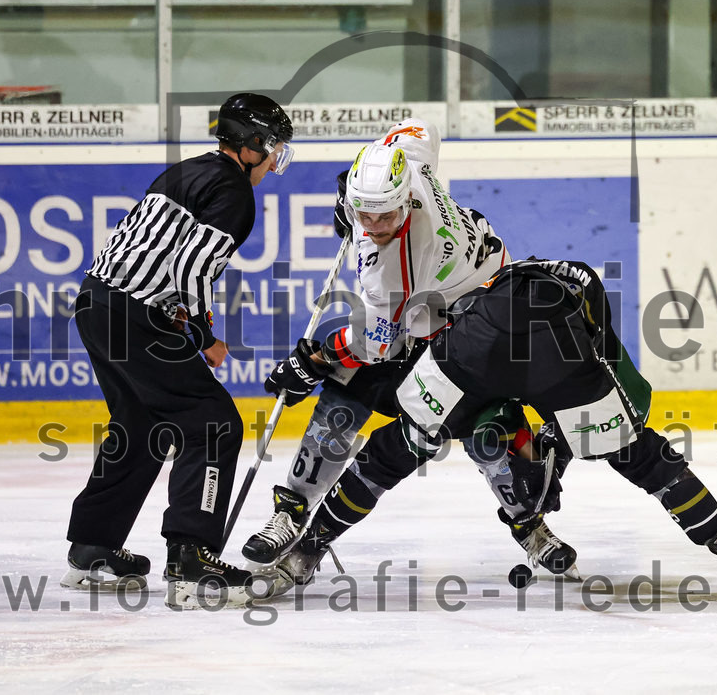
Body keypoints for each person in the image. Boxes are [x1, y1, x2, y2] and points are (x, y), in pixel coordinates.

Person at [267, 257, 717, 604]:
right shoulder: (487, 283)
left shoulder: (472, 274)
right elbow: (626, 412)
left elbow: (391, 328)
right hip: (520, 350)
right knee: (635, 453)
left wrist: (556, 451)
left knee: (405, 444)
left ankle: (308, 547)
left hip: (487, 350)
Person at [243, 120, 578, 578]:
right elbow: (421, 129)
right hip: (437, 312)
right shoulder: (409, 160)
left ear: (406, 200)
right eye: (365, 214)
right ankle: (293, 510)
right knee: (344, 397)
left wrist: (313, 360)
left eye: (385, 215)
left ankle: (529, 524)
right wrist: (356, 184)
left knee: (488, 426)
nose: (375, 226)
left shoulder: (394, 269)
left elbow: (376, 344)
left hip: (467, 329)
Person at [60, 92, 294, 609]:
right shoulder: (234, 191)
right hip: (137, 311)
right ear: (251, 143)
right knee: (213, 422)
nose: (276, 158)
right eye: (273, 146)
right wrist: (204, 335)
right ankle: (192, 559)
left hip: (97, 303)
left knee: (141, 426)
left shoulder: (189, 170)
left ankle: (93, 548)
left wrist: (179, 317)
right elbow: (192, 266)